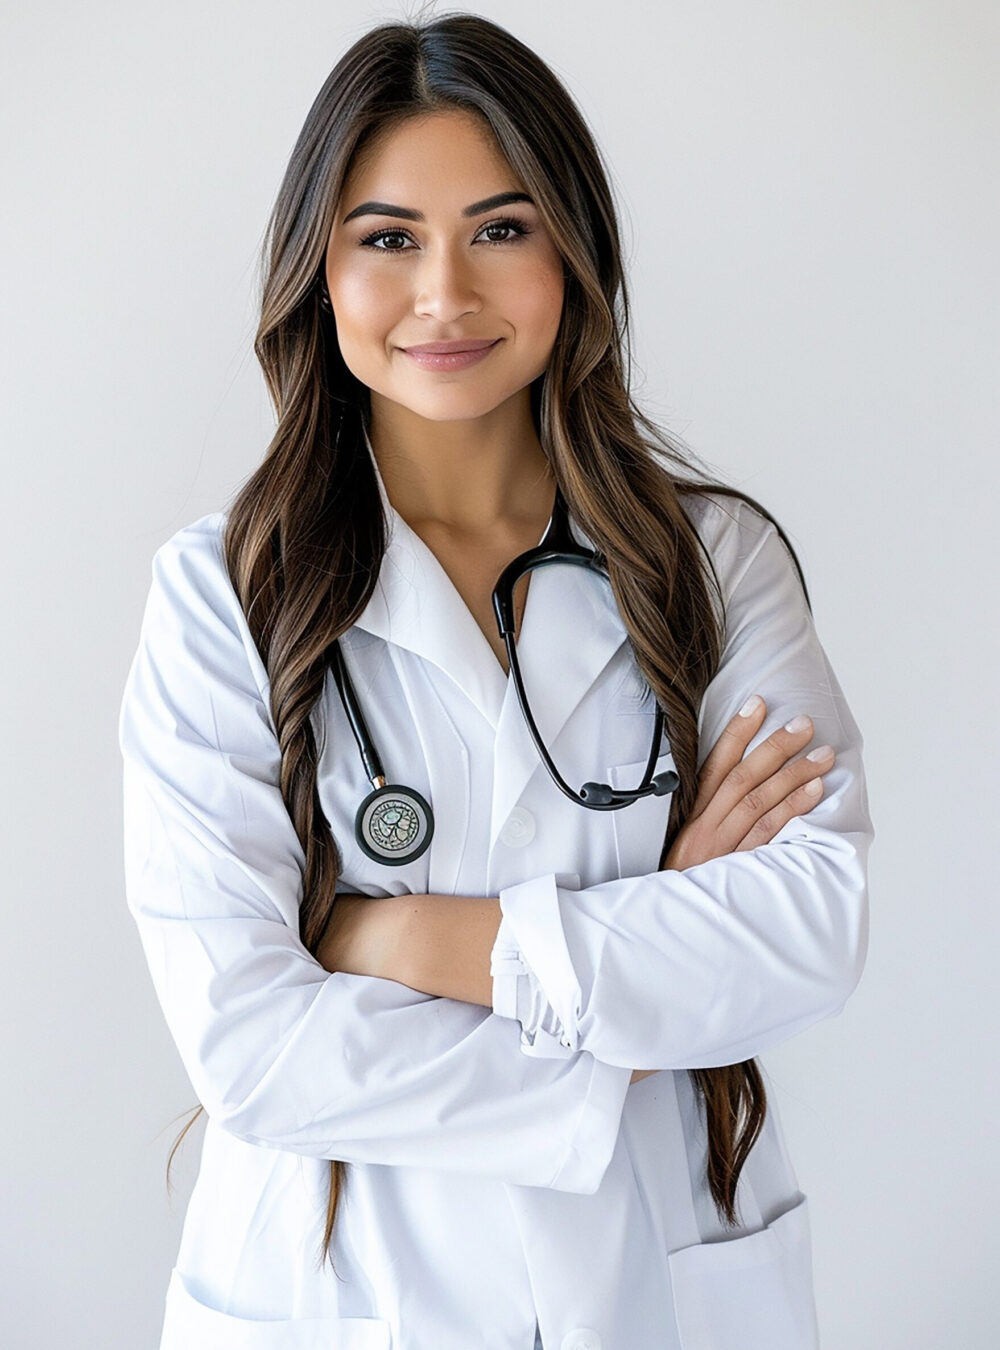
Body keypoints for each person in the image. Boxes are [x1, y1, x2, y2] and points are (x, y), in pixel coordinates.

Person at [117, 13, 872, 1350]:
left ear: (574, 253)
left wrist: (398, 936)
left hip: (661, 1279)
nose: (445, 293)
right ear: (319, 268)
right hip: (340, 1289)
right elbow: (252, 1047)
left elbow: (808, 923)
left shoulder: (713, 561)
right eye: (389, 235)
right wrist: (645, 976)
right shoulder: (223, 599)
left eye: (503, 229)